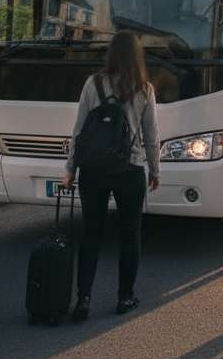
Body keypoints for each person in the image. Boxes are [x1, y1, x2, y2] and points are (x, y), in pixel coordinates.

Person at [64, 31, 160, 319]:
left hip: (92, 170)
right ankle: (125, 297)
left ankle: (83, 300)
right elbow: (151, 136)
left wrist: (70, 169)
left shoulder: (92, 84)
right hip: (129, 170)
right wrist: (155, 170)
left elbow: (79, 131)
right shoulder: (144, 89)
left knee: (91, 234)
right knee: (130, 235)